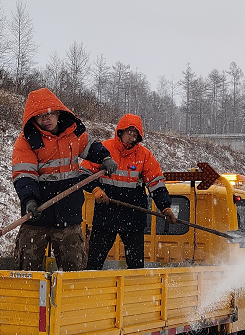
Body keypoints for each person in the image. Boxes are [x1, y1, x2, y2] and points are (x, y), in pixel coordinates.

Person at [11, 88, 116, 271]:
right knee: (28, 270)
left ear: (58, 112)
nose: (46, 119)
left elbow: (90, 147)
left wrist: (105, 158)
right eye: (40, 116)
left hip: (69, 214)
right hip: (37, 215)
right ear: (32, 119)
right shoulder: (27, 141)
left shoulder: (73, 133)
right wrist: (29, 200)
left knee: (72, 271)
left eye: (49, 114)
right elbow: (24, 174)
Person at [86, 114, 177, 270]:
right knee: (95, 260)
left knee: (135, 263)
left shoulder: (144, 155)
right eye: (129, 133)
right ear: (120, 132)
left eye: (135, 135)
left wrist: (165, 206)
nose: (132, 137)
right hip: (106, 211)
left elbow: (156, 183)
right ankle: (89, 287)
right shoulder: (103, 149)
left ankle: (134, 290)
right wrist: (95, 189)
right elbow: (85, 172)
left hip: (133, 213)